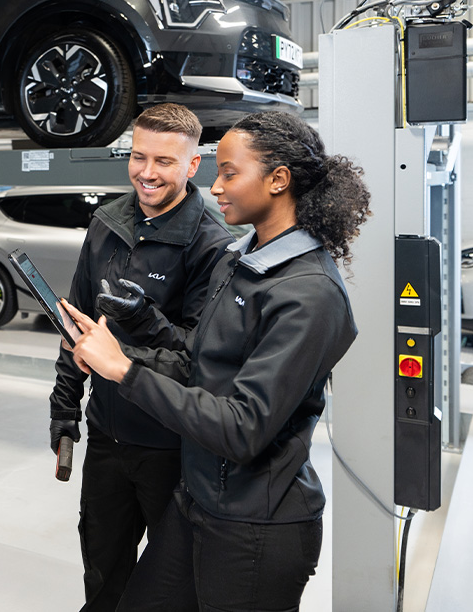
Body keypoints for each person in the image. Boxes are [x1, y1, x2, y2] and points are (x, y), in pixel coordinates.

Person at [63, 110, 372, 611]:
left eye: (229, 172)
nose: (217, 185)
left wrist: (125, 369)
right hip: (199, 495)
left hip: (255, 524)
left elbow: (243, 426)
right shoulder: (240, 260)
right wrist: (127, 340)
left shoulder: (309, 294)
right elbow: (197, 361)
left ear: (277, 180)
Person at [48, 103, 233, 612]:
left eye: (165, 162)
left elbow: (198, 361)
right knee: (103, 576)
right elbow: (75, 324)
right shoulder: (107, 223)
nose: (147, 173)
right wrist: (64, 409)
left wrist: (134, 333)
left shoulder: (211, 245)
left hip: (169, 448)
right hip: (107, 439)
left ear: (194, 166)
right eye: (139, 156)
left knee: (172, 587)